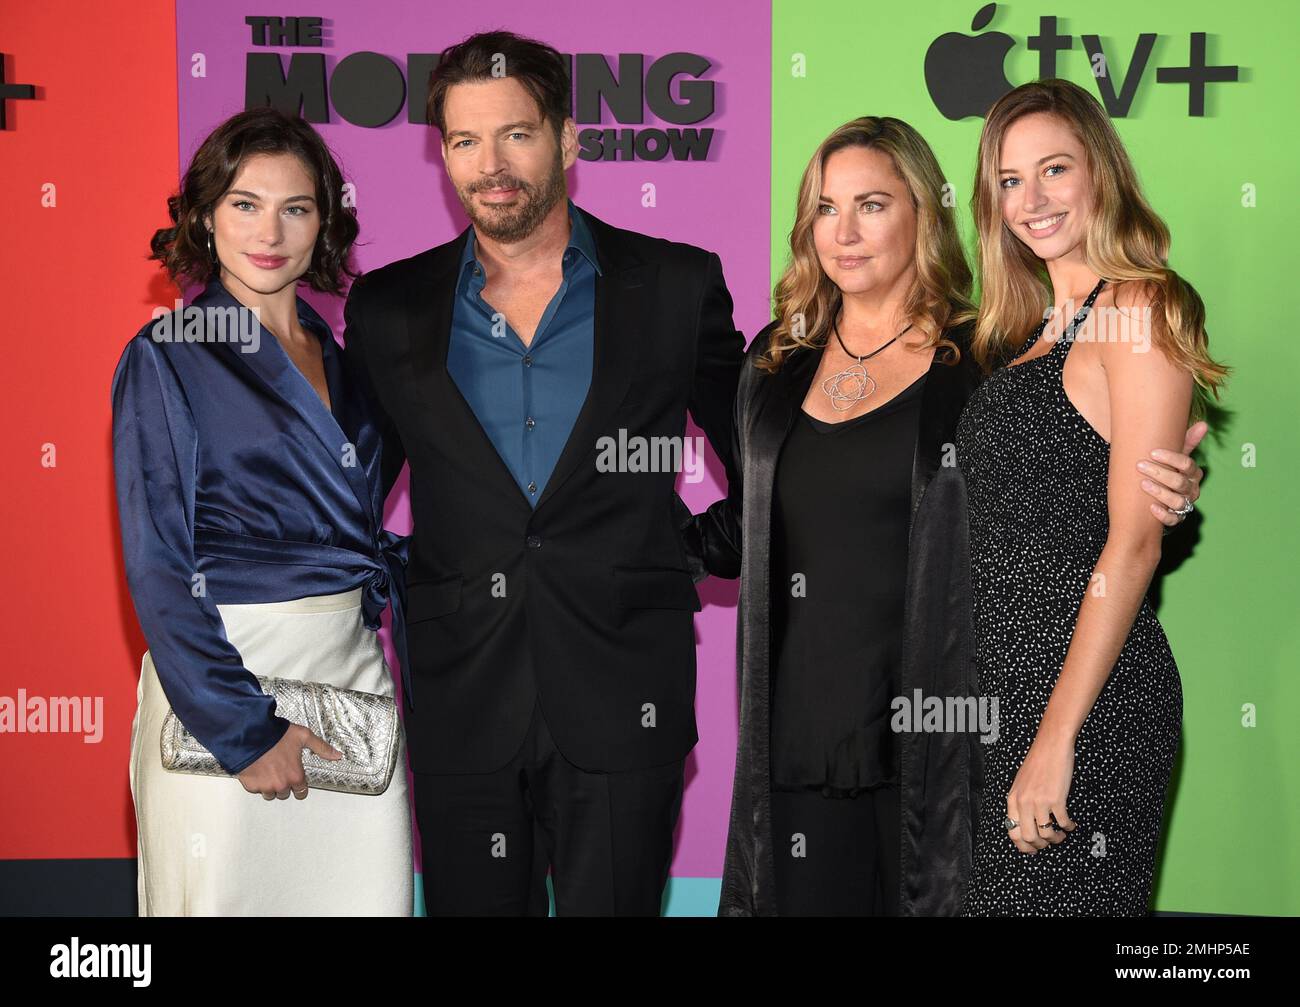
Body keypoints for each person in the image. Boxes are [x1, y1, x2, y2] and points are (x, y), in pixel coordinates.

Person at [684, 116, 1206, 916]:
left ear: (925, 215)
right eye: (826, 208)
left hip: (946, 736)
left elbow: (1057, 510)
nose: (845, 232)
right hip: (797, 731)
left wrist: (1168, 492)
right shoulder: (775, 360)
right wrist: (614, 547)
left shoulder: (990, 353)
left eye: (872, 204)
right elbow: (749, 522)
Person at [340, 30, 745, 916]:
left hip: (623, 692)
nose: (491, 164)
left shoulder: (674, 286)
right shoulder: (389, 307)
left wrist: (685, 549)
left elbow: (766, 455)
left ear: (567, 139)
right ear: (441, 155)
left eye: (516, 134)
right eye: (463, 141)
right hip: (461, 694)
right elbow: (344, 494)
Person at [113, 106, 413, 916]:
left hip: (351, 680)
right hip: (227, 685)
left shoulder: (350, 363)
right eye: (245, 203)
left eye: (296, 207)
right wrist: (245, 729)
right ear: (207, 216)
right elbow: (157, 566)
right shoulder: (169, 354)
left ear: (326, 223)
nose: (269, 230)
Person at [955, 79, 1228, 916]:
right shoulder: (1025, 335)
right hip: (998, 699)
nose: (1031, 199)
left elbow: (1133, 543)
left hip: (1086, 702)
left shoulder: (1141, 305)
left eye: (1054, 170)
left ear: (1100, 175)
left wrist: (1054, 738)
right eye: (1009, 180)